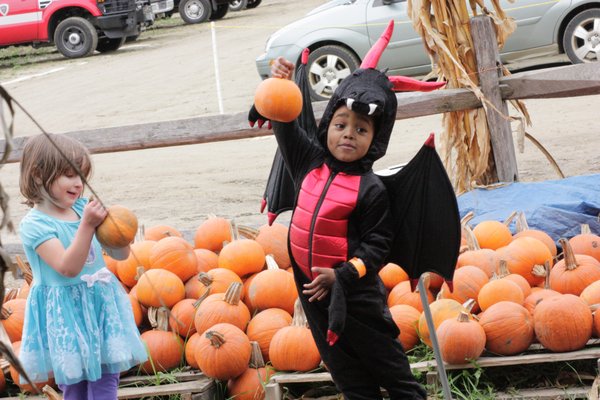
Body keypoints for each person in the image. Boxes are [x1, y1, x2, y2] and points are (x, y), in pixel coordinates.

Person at [249, 48, 432, 399]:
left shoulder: (371, 189)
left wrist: (342, 275)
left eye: (361, 129)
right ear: (328, 124)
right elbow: (283, 117)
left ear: (375, 139)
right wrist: (279, 82)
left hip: (357, 300)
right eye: (341, 124)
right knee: (350, 380)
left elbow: (377, 247)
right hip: (314, 296)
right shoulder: (307, 161)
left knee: (393, 375)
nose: (349, 134)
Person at [18, 133, 148, 399]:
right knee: (74, 385)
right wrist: (87, 225)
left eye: (82, 176)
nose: (78, 183)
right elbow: (67, 267)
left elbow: (119, 255)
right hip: (64, 312)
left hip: (99, 304)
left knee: (106, 377)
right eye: (69, 175)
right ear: (39, 175)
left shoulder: (81, 208)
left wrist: (120, 235)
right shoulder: (35, 224)